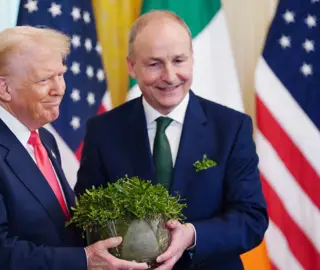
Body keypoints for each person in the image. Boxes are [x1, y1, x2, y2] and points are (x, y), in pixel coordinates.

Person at [0, 26, 148, 270]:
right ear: (4, 88)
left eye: (60, 74)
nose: (59, 89)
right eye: (44, 80)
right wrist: (84, 260)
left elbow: (60, 229)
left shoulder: (43, 136)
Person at [75, 10, 268, 270]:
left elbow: (251, 219)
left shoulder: (232, 127)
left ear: (192, 59)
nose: (169, 75)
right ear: (132, 66)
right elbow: (86, 216)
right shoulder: (103, 130)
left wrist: (193, 236)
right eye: (154, 64)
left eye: (179, 60)